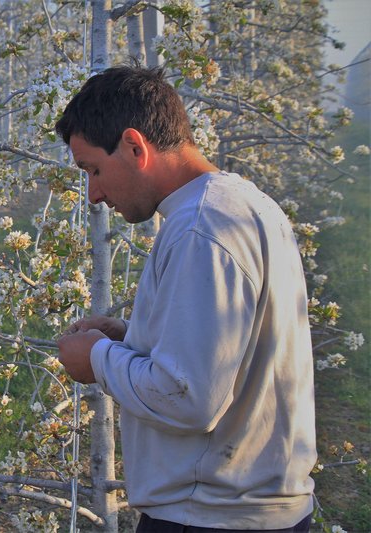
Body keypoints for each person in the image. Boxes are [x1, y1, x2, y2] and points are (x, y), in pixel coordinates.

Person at [55, 66, 316, 532]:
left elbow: (188, 398)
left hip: (210, 516)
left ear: (136, 147)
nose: (93, 194)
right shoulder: (243, 206)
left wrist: (96, 359)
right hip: (253, 509)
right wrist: (135, 337)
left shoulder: (202, 229)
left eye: (93, 169)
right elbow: (234, 351)